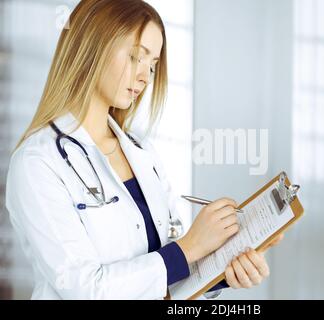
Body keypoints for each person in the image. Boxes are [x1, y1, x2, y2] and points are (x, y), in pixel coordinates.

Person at [5, 0, 284, 300]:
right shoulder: (37, 164)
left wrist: (222, 268)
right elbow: (85, 290)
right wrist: (191, 246)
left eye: (152, 65)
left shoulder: (142, 152)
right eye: (137, 57)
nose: (145, 77)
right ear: (93, 46)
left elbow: (166, 275)